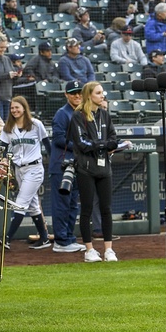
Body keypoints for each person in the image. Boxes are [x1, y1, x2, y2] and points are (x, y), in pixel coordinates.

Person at [69, 82, 121, 262]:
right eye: (99, 93)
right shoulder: (78, 116)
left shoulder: (105, 115)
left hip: (104, 168)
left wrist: (100, 145)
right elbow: (82, 144)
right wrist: (103, 145)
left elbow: (114, 140)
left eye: (102, 93)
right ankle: (89, 250)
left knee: (107, 209)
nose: (102, 95)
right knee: (87, 209)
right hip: (86, 169)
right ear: (89, 95)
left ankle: (108, 250)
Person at [1, 96, 51, 249]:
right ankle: (44, 238)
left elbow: (48, 145)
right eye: (12, 108)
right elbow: (3, 148)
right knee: (33, 205)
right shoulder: (8, 127)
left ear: (24, 108)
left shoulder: (36, 124)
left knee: (20, 204)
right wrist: (4, 163)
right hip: (18, 169)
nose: (14, 110)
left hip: (34, 168)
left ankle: (7, 239)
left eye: (17, 107)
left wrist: (54, 165)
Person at [49, 81, 85, 253]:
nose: (77, 95)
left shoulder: (81, 112)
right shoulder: (62, 113)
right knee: (62, 204)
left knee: (72, 205)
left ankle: (69, 238)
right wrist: (81, 145)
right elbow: (58, 139)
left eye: (79, 92)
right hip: (61, 166)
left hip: (75, 165)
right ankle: (61, 241)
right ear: (66, 95)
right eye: (73, 93)